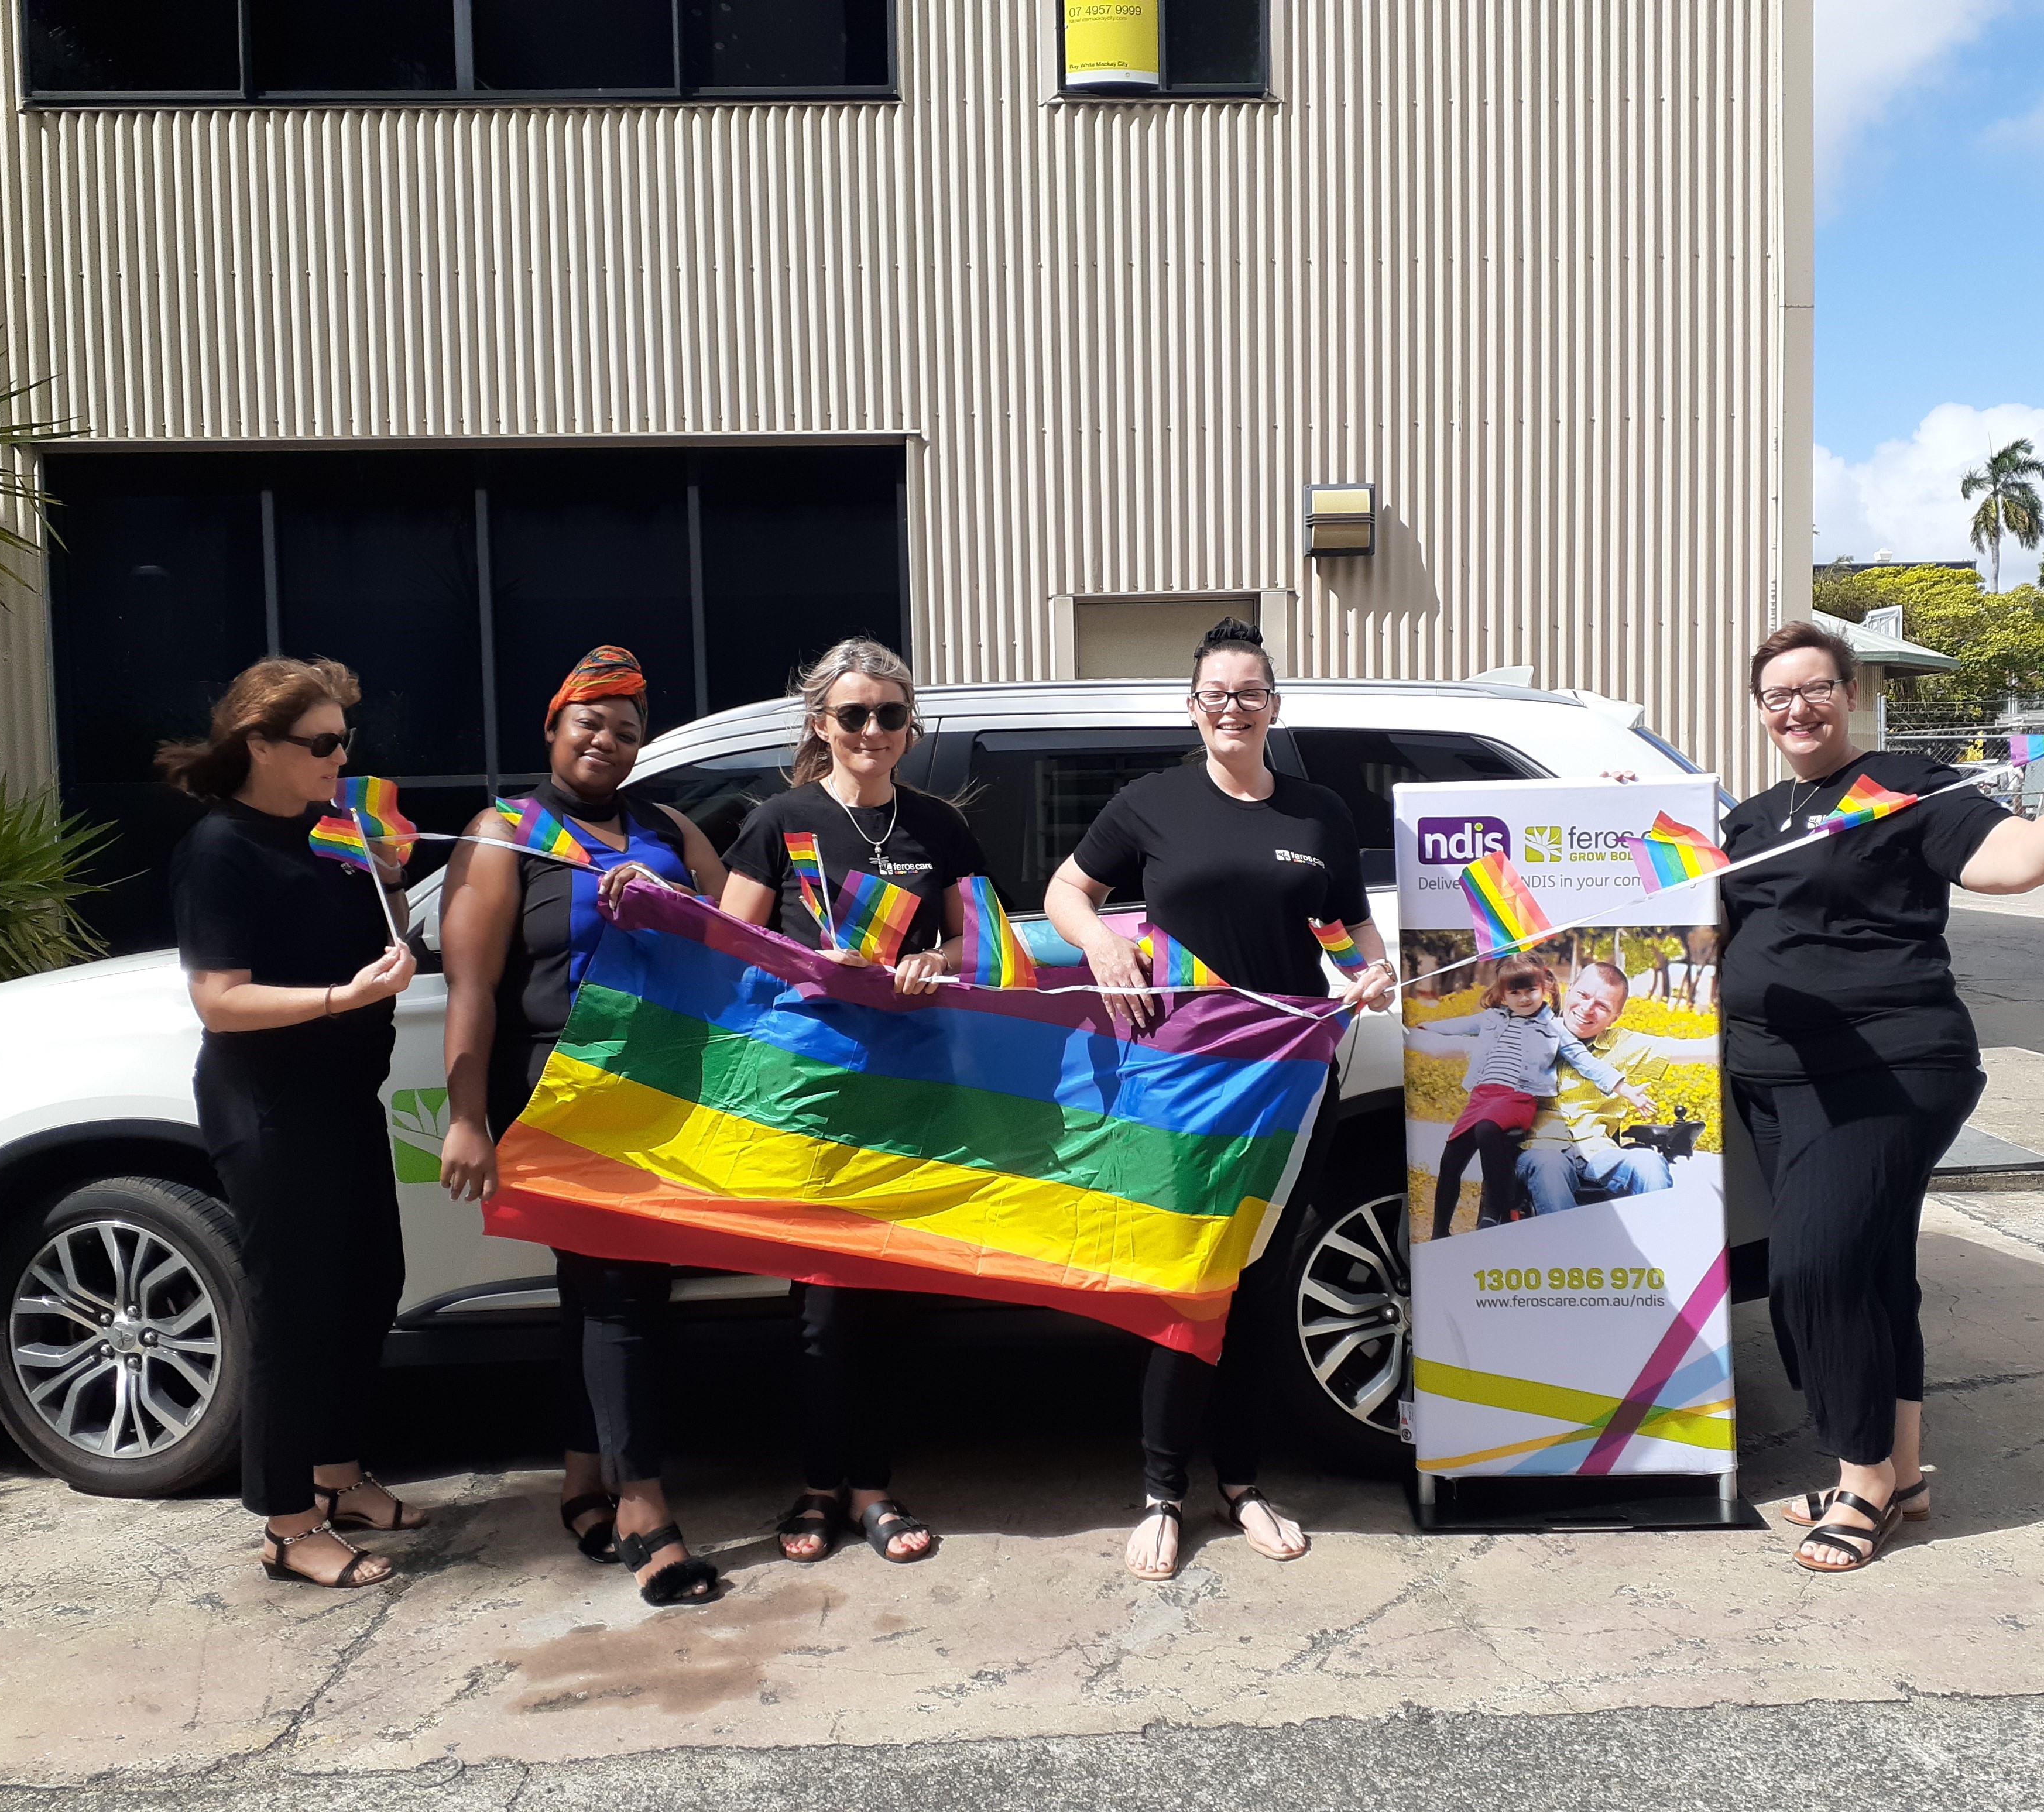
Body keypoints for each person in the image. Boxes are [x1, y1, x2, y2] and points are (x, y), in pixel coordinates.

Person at [1725, 619, 2044, 1574]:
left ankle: (1861, 1481)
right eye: (1775, 695)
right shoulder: (1749, 823)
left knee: (1812, 1271)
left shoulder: (1907, 787)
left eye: (1813, 688)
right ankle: (1905, 1477)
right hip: (1770, 1080)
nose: (1795, 707)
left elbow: (2015, 860)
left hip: (1885, 1069)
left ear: (1849, 693)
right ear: (1759, 712)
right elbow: (1696, 932)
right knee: (1873, 1272)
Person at [1044, 616, 1397, 1581]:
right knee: (1179, 1279)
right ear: (1191, 708)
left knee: (1251, 1280)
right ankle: (1162, 1491)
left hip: (1289, 1080)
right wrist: (1102, 943)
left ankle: (1240, 1483)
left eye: (1248, 693)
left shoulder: (1317, 813)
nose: (1231, 708)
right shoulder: (1150, 803)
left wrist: (1371, 975)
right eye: (1215, 694)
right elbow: (1066, 890)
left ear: (1272, 708)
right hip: (1181, 1080)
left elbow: (1347, 935)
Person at [436, 646, 729, 1608]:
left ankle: (582, 1481)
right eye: (589, 722)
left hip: (656, 1095)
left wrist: (674, 908)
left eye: (626, 729)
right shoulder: (504, 834)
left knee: (597, 1297)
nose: (606, 740)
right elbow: (472, 991)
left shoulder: (669, 828)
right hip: (559, 1093)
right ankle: (644, 1510)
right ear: (554, 728)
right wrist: (468, 1118)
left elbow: (736, 946)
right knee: (620, 1299)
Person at [718, 637, 983, 1567]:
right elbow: (728, 947)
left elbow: (986, 946)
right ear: (821, 724)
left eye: (891, 715)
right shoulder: (779, 821)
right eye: (854, 715)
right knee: (824, 1303)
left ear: (910, 728)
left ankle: (872, 1486)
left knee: (891, 1299)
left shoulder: (940, 828)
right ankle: (821, 1486)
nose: (873, 731)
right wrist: (805, 963)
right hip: (810, 1096)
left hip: (914, 1094)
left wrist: (935, 959)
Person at [162, 657, 423, 1589]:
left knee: (369, 1283)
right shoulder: (220, 848)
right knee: (295, 1308)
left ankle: (338, 1477)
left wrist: (390, 875)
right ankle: (284, 1522)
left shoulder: (334, 829)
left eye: (345, 741)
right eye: (321, 744)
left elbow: (392, 932)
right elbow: (219, 1001)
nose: (340, 757)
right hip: (268, 1103)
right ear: (259, 746)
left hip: (344, 1095)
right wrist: (339, 998)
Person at [1407, 955, 1652, 1238]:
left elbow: (1588, 1063)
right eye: (1515, 993)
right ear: (1503, 994)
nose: (1524, 999)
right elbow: (1459, 1026)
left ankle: (1496, 1210)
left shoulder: (1555, 1028)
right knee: (1451, 1160)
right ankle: (1440, 1233)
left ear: (1545, 989)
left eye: (1531, 992)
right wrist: (1427, 1027)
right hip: (1483, 1095)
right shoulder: (1493, 1019)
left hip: (1517, 1098)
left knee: (1488, 1130)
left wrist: (1624, 1089)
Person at [1515, 962, 1717, 1217]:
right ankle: (1568, 1253)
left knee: (1648, 1163)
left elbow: (1706, 1049)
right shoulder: (1531, 1034)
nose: (1587, 1010)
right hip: (1543, 1150)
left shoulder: (1622, 1045)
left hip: (1598, 1153)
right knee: (1549, 1166)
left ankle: (1658, 1245)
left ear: (1616, 1016)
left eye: (1603, 1006)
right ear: (1570, 990)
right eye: (1583, 996)